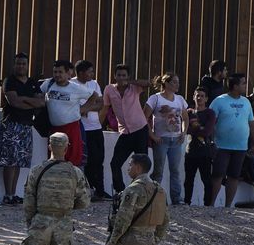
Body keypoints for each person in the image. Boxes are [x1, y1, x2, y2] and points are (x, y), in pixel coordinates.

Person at [0, 52, 45, 205]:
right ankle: (8, 194)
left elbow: (41, 103)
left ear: (27, 65)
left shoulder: (32, 82)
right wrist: (29, 101)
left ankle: (14, 193)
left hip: (26, 125)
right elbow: (14, 102)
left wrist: (24, 98)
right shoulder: (9, 81)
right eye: (18, 63)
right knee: (10, 161)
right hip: (12, 123)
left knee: (19, 161)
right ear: (14, 65)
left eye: (23, 64)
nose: (21, 66)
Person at [207, 73, 254, 207]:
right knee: (218, 174)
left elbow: (251, 123)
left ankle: (228, 206)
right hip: (221, 145)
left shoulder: (246, 101)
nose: (245, 86)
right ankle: (211, 204)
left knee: (234, 175)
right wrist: (211, 141)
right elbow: (210, 121)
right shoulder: (219, 101)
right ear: (235, 86)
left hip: (240, 146)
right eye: (243, 83)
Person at [40, 59, 101, 170]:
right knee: (54, 161)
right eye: (55, 72)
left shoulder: (75, 88)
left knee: (73, 162)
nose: (57, 75)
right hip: (54, 130)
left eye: (60, 72)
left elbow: (94, 95)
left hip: (72, 129)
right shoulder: (48, 84)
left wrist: (84, 109)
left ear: (68, 73)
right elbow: (38, 96)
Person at [102, 64, 153, 196]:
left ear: (128, 76)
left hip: (140, 129)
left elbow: (148, 83)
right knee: (115, 163)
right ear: (114, 76)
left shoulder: (134, 87)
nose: (121, 78)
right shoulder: (109, 89)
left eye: (124, 75)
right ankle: (121, 192)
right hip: (125, 132)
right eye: (118, 75)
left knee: (142, 164)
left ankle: (142, 191)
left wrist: (129, 81)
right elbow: (105, 107)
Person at [146, 74, 189, 205]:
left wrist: (184, 132)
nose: (177, 85)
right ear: (167, 84)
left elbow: (185, 118)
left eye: (178, 82)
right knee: (158, 170)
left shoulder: (180, 99)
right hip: (161, 139)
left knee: (175, 170)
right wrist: (152, 135)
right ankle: (153, 197)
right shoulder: (155, 99)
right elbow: (145, 117)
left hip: (176, 139)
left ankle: (176, 198)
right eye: (174, 82)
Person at [74, 60, 109, 199]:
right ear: (81, 73)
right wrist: (86, 108)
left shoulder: (94, 84)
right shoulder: (72, 84)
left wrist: (86, 108)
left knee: (99, 158)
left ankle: (100, 189)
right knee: (86, 160)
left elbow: (100, 103)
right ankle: (88, 190)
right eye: (89, 71)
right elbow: (75, 107)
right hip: (82, 128)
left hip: (96, 126)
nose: (92, 74)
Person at [184, 87, 217, 206]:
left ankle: (207, 204)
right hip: (191, 150)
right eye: (197, 95)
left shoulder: (210, 113)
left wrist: (194, 129)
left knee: (206, 179)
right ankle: (187, 201)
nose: (199, 98)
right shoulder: (189, 112)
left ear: (206, 98)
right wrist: (199, 128)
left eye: (202, 96)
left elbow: (207, 131)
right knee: (188, 179)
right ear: (193, 97)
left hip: (205, 151)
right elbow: (185, 129)